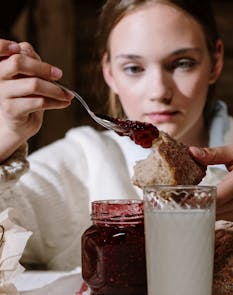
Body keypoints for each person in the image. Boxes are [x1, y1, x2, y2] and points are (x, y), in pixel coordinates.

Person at [0, 0, 231, 270]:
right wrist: (4, 138)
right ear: (108, 71)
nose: (159, 91)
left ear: (215, 62)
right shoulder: (80, 162)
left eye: (182, 63)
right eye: (134, 68)